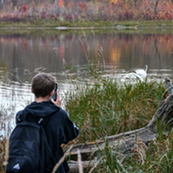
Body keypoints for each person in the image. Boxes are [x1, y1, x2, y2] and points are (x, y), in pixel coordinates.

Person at [15, 73, 79, 172]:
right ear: (52, 93)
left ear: (32, 90)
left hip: (28, 165)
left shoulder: (20, 116)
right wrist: (57, 110)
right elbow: (73, 133)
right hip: (52, 167)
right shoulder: (60, 115)